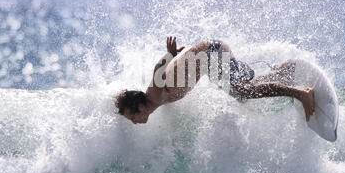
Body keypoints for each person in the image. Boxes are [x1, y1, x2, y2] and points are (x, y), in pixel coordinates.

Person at [115, 36, 315, 124]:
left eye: (132, 117)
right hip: (211, 61)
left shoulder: (154, 95)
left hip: (212, 53)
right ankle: (283, 72)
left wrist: (169, 55)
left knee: (244, 91)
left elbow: (158, 71)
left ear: (140, 107)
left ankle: (302, 94)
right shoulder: (159, 102)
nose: (134, 123)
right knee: (243, 95)